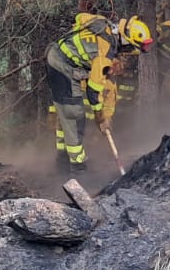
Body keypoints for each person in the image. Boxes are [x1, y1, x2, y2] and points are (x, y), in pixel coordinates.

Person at [45, 13, 153, 169]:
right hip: (62, 65)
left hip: (66, 62)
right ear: (126, 41)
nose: (126, 52)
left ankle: (62, 159)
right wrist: (100, 118)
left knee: (68, 115)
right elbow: (93, 92)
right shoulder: (105, 53)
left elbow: (80, 17)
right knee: (74, 116)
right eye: (130, 48)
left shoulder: (103, 24)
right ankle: (78, 167)